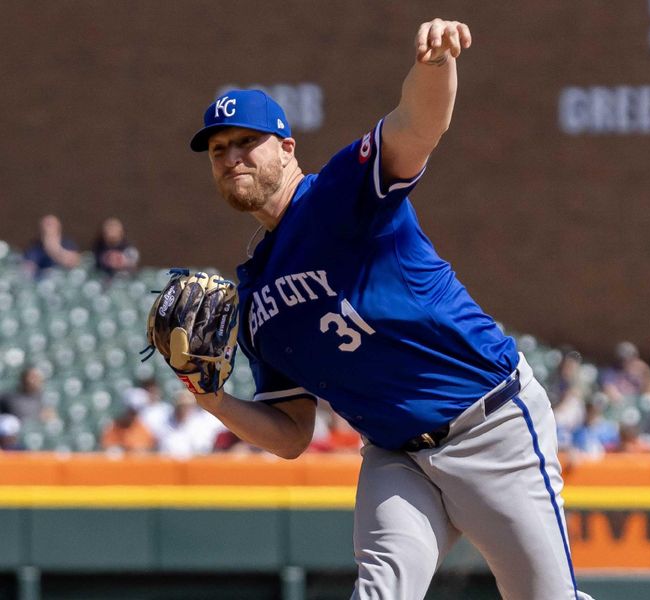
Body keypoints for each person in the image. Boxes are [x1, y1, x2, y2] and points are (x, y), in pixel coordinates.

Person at [184, 19, 590, 600]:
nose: (231, 156)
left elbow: (415, 127)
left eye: (247, 140)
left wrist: (435, 64)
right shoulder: (254, 297)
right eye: (219, 149)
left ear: (286, 147)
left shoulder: (340, 194)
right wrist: (213, 400)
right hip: (394, 456)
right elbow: (292, 434)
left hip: (489, 425)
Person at [100, 388, 156, 454]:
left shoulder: (143, 429)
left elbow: (146, 451)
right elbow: (106, 449)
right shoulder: (113, 427)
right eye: (130, 410)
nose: (131, 414)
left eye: (134, 412)